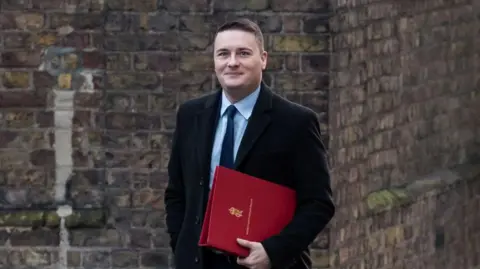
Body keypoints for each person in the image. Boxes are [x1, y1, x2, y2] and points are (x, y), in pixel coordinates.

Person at [164, 18, 335, 269]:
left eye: (243, 53)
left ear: (263, 59)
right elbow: (176, 193)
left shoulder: (295, 122)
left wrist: (274, 252)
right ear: (214, 60)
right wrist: (182, 246)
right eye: (223, 54)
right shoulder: (190, 116)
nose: (232, 62)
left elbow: (319, 203)